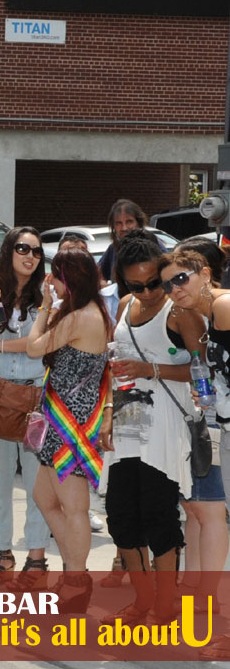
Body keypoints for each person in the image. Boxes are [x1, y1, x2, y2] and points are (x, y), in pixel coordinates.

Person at [98, 232, 205, 625]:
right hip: (126, 425)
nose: (146, 292)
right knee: (120, 516)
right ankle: (143, 601)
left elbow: (202, 373)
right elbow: (117, 365)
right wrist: (109, 411)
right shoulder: (125, 306)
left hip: (164, 428)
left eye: (152, 283)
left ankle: (164, 604)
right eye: (135, 284)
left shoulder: (179, 313)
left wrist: (152, 370)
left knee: (159, 517)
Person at [25, 247, 112, 609]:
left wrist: (45, 305)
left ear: (68, 279)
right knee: (44, 498)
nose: (53, 285)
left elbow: (33, 348)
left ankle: (77, 579)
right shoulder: (89, 312)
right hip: (62, 416)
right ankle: (74, 571)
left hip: (71, 422)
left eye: (56, 278)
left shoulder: (80, 317)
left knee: (74, 507)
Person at [0, 227, 51, 587]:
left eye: (35, 250)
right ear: (8, 251)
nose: (29, 256)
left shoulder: (47, 295)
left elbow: (37, 346)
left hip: (37, 400)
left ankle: (36, 558)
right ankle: (2, 552)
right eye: (21, 248)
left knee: (37, 484)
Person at [159, 247, 230, 631]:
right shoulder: (203, 314)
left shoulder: (223, 306)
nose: (174, 288)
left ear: (204, 273)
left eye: (181, 279)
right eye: (168, 283)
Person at [98, 199, 148, 285]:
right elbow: (96, 273)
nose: (124, 228)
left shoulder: (152, 246)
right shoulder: (113, 249)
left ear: (138, 223)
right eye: (119, 223)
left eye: (129, 222)